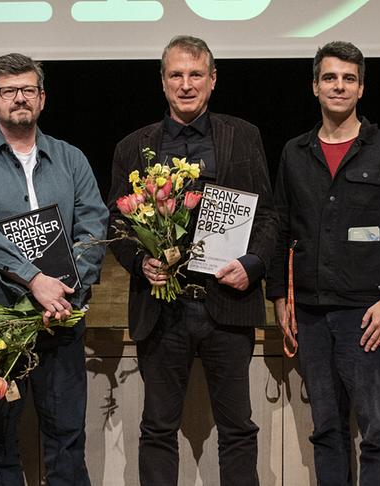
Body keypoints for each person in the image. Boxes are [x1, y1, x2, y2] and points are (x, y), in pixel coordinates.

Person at [107, 35, 276, 486]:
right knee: (158, 429)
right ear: (162, 81)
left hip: (227, 303)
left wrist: (253, 264)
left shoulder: (243, 136)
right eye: (176, 75)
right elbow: (117, 223)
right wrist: (141, 263)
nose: (186, 84)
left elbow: (269, 215)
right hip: (163, 310)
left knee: (238, 429)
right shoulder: (133, 145)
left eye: (196, 74)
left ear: (213, 79)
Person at [0, 53, 108, 486]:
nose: (19, 98)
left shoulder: (71, 158)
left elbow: (94, 223)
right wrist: (35, 280)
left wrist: (69, 289)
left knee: (67, 439)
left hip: (61, 320)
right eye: (8, 91)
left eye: (28, 90)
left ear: (42, 98)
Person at [266, 41, 380, 486]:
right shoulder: (295, 152)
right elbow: (280, 227)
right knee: (326, 430)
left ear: (361, 88)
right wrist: (278, 296)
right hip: (310, 314)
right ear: (315, 86)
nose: (339, 86)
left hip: (367, 314)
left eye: (348, 78)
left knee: (377, 430)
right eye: (330, 77)